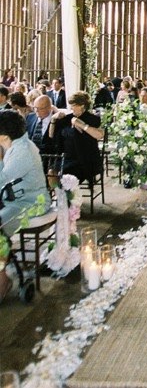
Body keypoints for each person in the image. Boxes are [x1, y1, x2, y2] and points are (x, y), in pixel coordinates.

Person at [0, 110, 51, 302]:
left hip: (32, 203)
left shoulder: (22, 152)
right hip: (13, 200)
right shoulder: (13, 144)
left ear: (4, 136)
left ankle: (3, 279)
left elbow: (2, 179)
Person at [51, 91, 104, 184]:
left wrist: (83, 125)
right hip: (66, 158)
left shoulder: (92, 119)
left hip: (84, 160)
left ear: (82, 105)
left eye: (73, 105)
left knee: (66, 177)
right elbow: (51, 135)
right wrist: (53, 120)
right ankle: (61, 195)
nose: (71, 108)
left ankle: (67, 196)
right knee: (51, 173)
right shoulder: (67, 118)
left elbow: (99, 135)